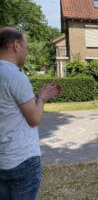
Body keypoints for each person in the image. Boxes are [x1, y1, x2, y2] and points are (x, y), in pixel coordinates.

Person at [0, 27, 62, 200]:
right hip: (21, 160)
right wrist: (41, 99)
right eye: (26, 47)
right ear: (16, 45)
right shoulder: (15, 76)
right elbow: (34, 118)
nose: (27, 52)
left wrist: (37, 97)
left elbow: (8, 108)